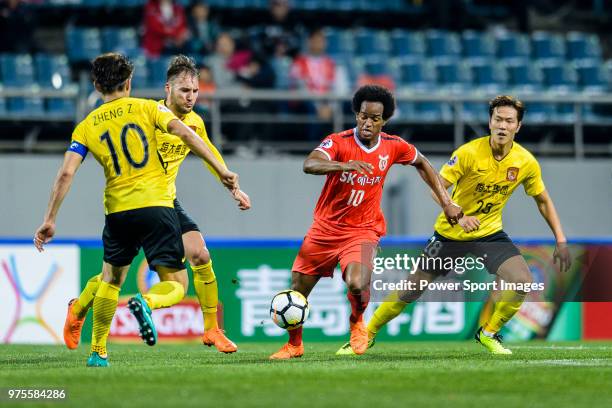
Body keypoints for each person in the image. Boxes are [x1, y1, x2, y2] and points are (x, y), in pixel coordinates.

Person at [34, 53, 243, 367]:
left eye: (195, 91)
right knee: (127, 278)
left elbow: (207, 148)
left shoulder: (191, 121)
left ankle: (211, 330)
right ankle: (81, 311)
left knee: (198, 254)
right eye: (184, 90)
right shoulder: (150, 111)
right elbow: (184, 138)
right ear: (166, 89)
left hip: (154, 201)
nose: (191, 97)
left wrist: (230, 183)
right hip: (152, 202)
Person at [341, 95, 572, 356]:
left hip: (489, 234)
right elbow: (437, 188)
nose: (502, 126)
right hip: (450, 233)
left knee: (522, 281)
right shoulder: (468, 153)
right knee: (411, 288)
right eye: (498, 119)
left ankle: (488, 333)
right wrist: (459, 216)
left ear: (518, 127)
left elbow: (543, 201)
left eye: (509, 121)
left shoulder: (526, 162)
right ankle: (365, 334)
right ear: (490, 122)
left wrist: (560, 239)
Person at [269, 85, 463, 360]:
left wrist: (446, 202)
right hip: (324, 229)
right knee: (298, 290)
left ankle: (357, 323)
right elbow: (310, 164)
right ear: (356, 115)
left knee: (358, 283)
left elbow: (423, 163)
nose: (367, 123)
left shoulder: (394, 146)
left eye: (374, 118)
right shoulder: (339, 141)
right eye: (363, 116)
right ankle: (294, 344)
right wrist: (343, 166)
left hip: (363, 230)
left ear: (384, 121)